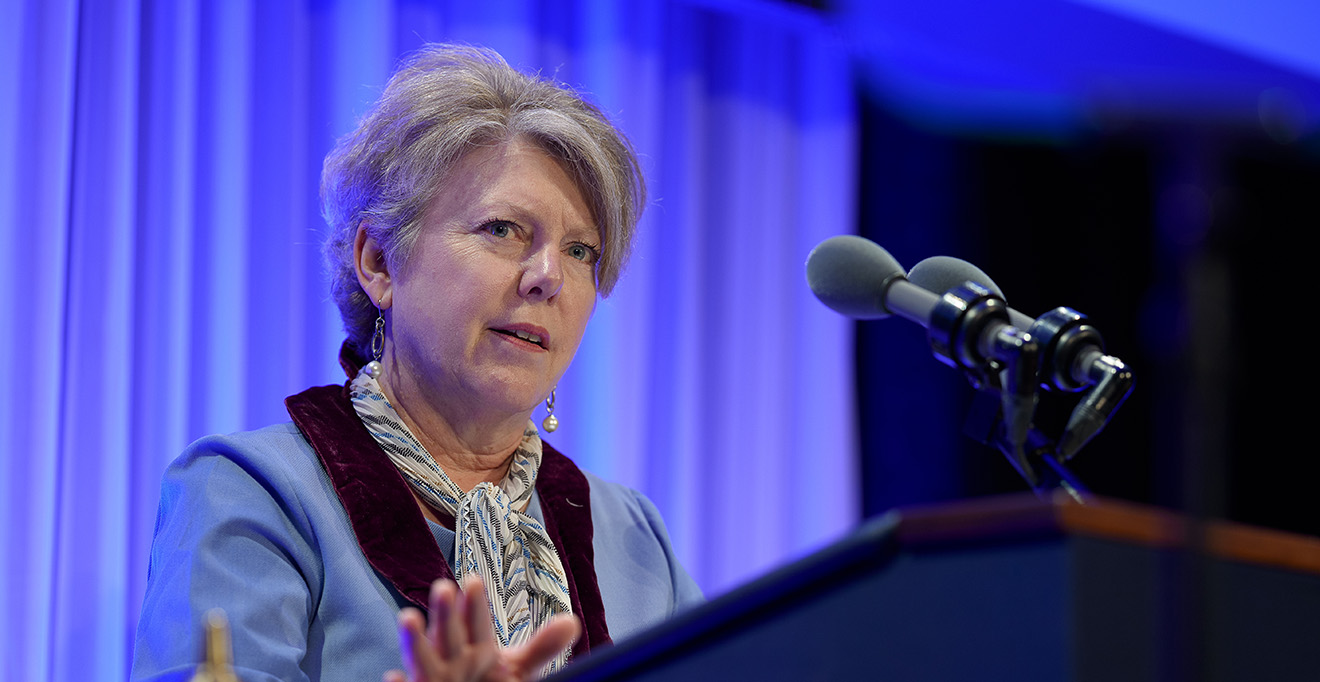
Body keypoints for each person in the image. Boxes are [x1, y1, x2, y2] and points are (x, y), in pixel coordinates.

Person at [131, 43, 702, 682]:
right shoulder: (252, 490)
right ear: (378, 260)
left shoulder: (632, 534)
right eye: (503, 229)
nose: (547, 277)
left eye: (580, 251)